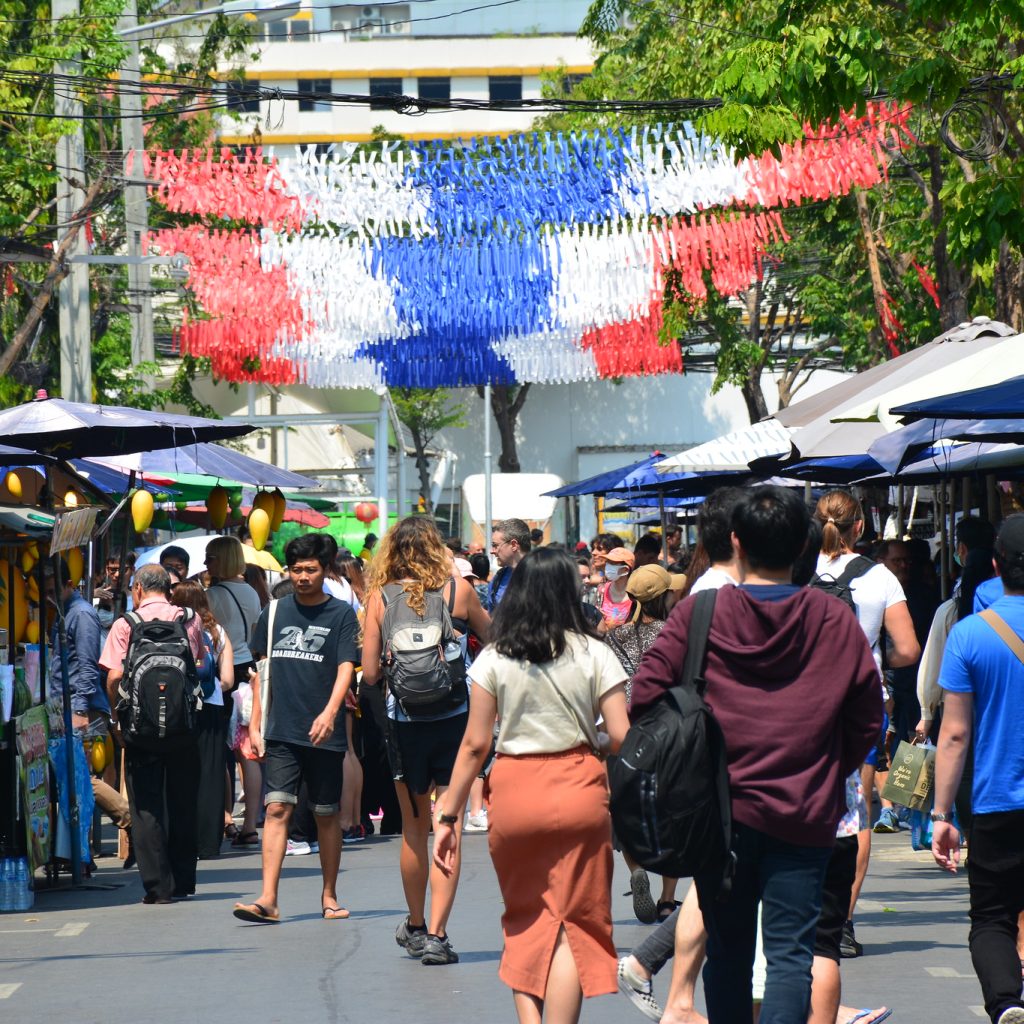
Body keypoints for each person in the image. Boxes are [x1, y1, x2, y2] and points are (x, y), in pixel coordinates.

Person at [632, 486, 882, 1024]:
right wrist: (828, 768)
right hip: (805, 813)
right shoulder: (832, 617)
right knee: (792, 954)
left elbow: (644, 696)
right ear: (802, 545)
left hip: (717, 817)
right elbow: (867, 716)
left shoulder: (701, 612)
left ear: (737, 542)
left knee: (728, 952)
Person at [434, 547, 630, 1022]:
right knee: (574, 925)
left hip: (517, 790)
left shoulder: (496, 658)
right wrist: (594, 739)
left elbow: (475, 745)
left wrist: (448, 814)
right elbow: (622, 737)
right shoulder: (595, 652)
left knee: (526, 919)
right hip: (581, 787)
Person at [361, 516, 490, 965]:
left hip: (405, 723)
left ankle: (415, 924)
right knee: (447, 824)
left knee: (414, 829)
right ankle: (438, 934)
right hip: (455, 720)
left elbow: (373, 674)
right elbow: (492, 642)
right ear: (437, 548)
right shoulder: (459, 591)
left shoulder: (378, 598)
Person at [233, 533, 360, 924]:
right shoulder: (273, 613)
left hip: (324, 730)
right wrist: (256, 724)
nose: (302, 576)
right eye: (296, 569)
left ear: (325, 571)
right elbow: (261, 673)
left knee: (325, 814)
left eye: (311, 569)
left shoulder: (341, 615)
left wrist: (330, 712)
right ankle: (268, 899)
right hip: (281, 728)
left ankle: (330, 896)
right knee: (276, 808)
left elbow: (345, 667)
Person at [933, 514, 1024, 1024]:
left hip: (995, 802)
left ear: (995, 566)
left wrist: (942, 813)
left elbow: (955, 734)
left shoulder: (968, 636)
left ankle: (1007, 1001)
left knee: (991, 918)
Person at [101, 564, 206, 904]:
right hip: (183, 727)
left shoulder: (125, 624)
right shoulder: (190, 619)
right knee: (182, 801)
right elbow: (198, 665)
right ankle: (183, 880)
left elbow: (115, 677)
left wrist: (118, 719)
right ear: (169, 589)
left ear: (138, 590)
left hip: (140, 729)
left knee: (146, 805)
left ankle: (158, 888)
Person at [606, 564, 686, 927]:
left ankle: (637, 868)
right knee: (672, 811)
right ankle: (668, 900)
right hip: (668, 730)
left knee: (626, 808)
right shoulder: (674, 634)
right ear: (665, 597)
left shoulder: (614, 636)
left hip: (625, 730)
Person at [47, 560, 131, 840]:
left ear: (69, 585)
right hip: (66, 704)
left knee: (79, 775)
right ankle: (83, 848)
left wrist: (80, 709)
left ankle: (127, 818)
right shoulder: (64, 611)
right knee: (75, 776)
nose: (48, 596)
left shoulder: (81, 614)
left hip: (81, 706)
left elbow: (86, 665)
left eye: (52, 590)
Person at [205, 535, 264, 848]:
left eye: (211, 558)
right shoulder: (251, 593)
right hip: (249, 669)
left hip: (223, 672)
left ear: (222, 561)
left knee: (221, 750)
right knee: (247, 752)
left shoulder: (212, 594)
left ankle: (225, 818)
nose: (206, 564)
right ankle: (250, 824)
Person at [170, 580, 234, 860]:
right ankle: (209, 843)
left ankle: (184, 838)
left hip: (177, 708)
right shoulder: (217, 632)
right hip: (211, 707)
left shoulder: (172, 629)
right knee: (211, 773)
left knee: (181, 773)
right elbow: (229, 680)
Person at [490, 517, 531, 606]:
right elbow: (491, 617)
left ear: (514, 545)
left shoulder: (543, 575)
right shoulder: (498, 580)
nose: (492, 551)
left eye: (495, 545)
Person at [597, 547, 635, 630]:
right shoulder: (602, 590)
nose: (608, 566)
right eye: (608, 562)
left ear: (625, 569)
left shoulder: (635, 596)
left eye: (613, 563)